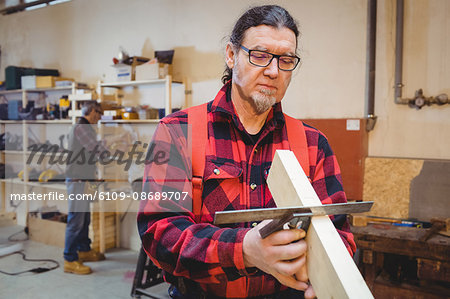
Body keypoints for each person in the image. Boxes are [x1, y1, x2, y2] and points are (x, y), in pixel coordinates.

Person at [138, 5, 355, 298]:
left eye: (286, 60)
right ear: (231, 55)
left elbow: (339, 232)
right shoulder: (179, 132)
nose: (274, 71)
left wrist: (319, 268)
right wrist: (244, 250)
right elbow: (161, 233)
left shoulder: (313, 143)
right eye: (260, 55)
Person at [63, 101, 111, 274]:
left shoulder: (86, 127)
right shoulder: (81, 127)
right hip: (78, 180)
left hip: (86, 179)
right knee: (76, 219)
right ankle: (69, 259)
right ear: (91, 111)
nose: (99, 117)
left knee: (85, 217)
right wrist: (111, 142)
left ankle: (84, 249)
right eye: (99, 113)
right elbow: (96, 149)